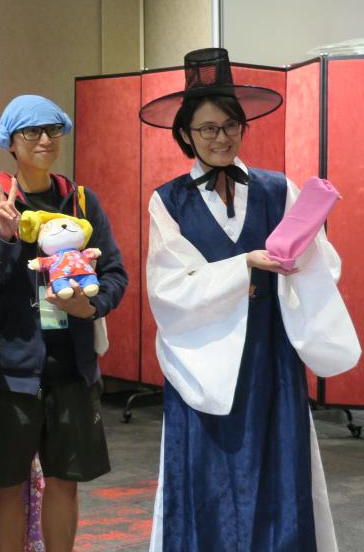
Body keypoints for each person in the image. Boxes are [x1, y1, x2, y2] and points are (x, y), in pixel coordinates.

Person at [140, 47, 360, 552]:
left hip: (270, 354)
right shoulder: (167, 200)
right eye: (208, 128)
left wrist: (299, 261)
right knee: (206, 475)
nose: (221, 138)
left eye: (230, 126)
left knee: (279, 468)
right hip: (202, 361)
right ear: (186, 135)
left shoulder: (276, 189)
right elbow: (169, 288)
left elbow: (323, 262)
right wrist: (244, 265)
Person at [0, 95, 128, 552]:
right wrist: (2, 239)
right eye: (31, 132)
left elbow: (115, 273)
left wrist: (91, 308)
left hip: (72, 368)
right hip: (9, 372)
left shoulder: (80, 200)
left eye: (52, 130)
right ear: (10, 142)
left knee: (65, 482)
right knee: (6, 486)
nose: (44, 140)